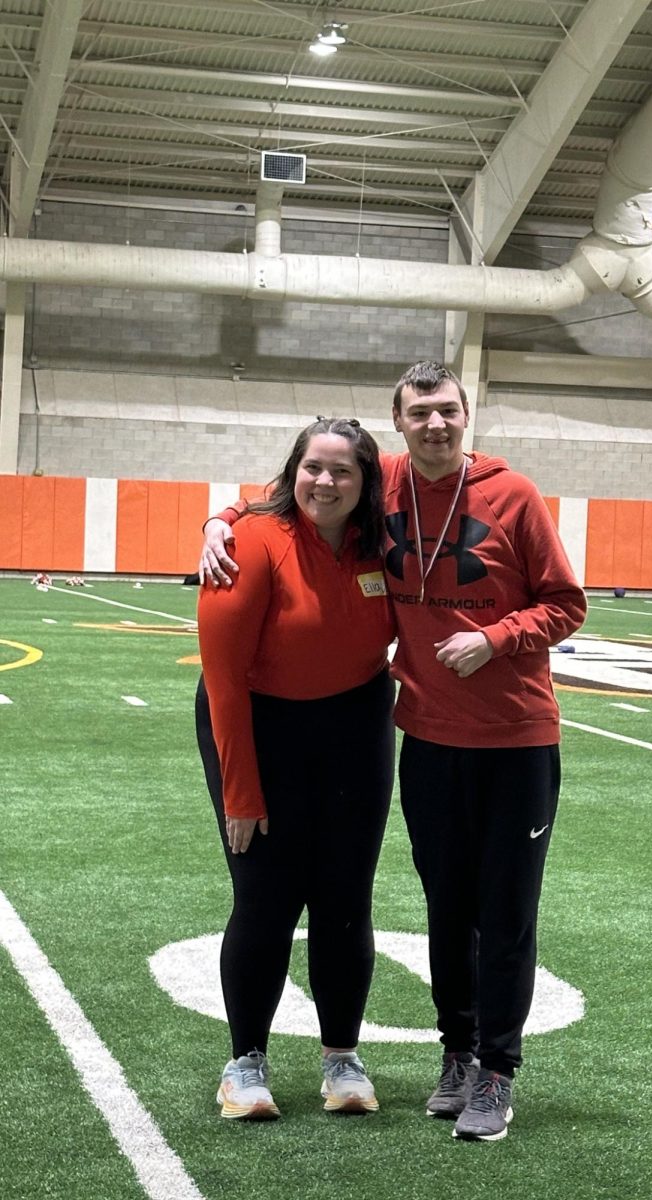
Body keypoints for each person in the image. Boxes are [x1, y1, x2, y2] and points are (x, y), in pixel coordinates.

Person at [201, 363, 586, 1141]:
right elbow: (296, 496)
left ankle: (427, 1066)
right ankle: (278, 1061)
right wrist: (219, 516)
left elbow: (565, 600)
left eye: (448, 410)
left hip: (433, 733)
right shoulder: (320, 515)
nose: (436, 424)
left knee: (419, 905)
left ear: (466, 413)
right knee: (338, 902)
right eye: (421, 414)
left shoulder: (457, 508)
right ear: (401, 422)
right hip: (348, 737)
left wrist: (496, 637)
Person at [195, 416, 396, 1122]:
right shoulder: (251, 540)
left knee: (346, 897)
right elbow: (222, 679)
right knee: (268, 896)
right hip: (260, 725)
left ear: (367, 481)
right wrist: (241, 793)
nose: (327, 481)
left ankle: (343, 1060)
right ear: (293, 471)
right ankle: (245, 1064)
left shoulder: (383, 541)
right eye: (314, 467)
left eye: (343, 470)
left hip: (356, 728)